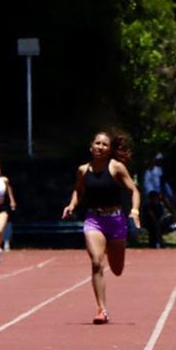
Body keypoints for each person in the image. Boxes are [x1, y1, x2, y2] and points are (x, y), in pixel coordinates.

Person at [62, 131, 142, 324]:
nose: (100, 147)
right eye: (97, 143)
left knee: (117, 269)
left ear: (110, 149)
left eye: (105, 144)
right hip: (94, 219)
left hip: (115, 219)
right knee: (97, 262)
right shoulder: (83, 170)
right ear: (91, 146)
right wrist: (72, 205)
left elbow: (134, 190)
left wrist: (135, 212)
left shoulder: (116, 168)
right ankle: (101, 309)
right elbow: (78, 190)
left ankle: (112, 248)